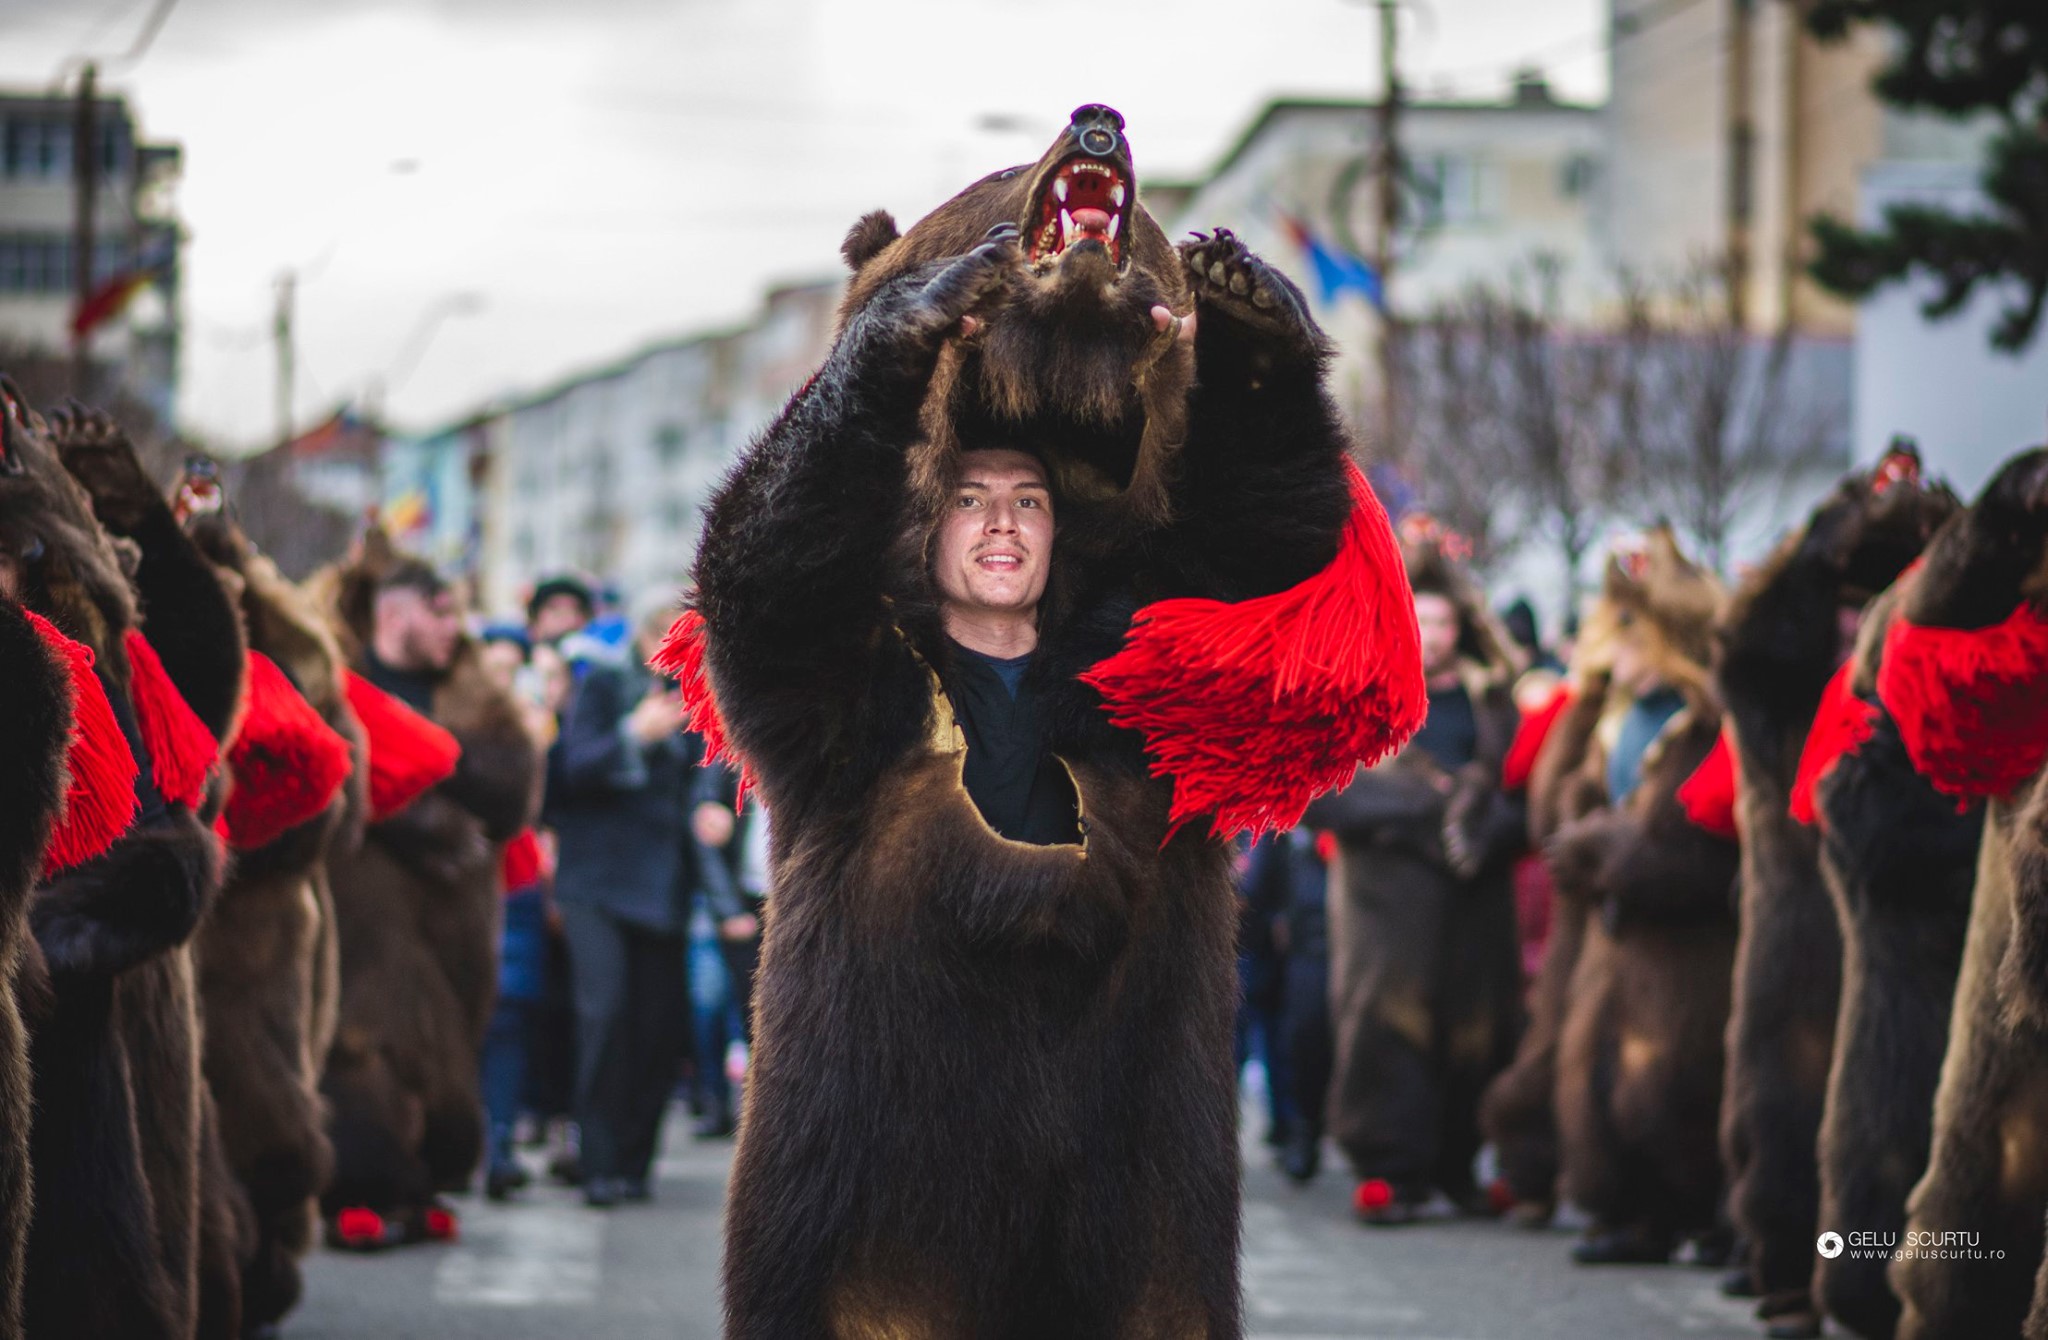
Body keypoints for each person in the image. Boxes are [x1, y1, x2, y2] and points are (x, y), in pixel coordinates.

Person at [1307, 525, 1526, 1225]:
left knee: (1478, 1033)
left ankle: (1460, 1166)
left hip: (1475, 899)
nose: (1432, 632)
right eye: (1419, 618)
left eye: (1443, 620)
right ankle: (1391, 1170)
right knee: (1387, 1030)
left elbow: (1528, 796)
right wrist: (1428, 808)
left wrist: (1491, 829)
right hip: (1387, 906)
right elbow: (1319, 792)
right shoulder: (1356, 690)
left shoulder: (1494, 702)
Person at [545, 599, 698, 1208]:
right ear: (648, 636)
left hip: (662, 887)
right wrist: (636, 734)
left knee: (658, 1029)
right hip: (596, 881)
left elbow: (711, 779)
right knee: (604, 1015)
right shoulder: (605, 685)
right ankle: (598, 1162)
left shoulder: (705, 696)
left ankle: (634, 1161)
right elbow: (572, 768)